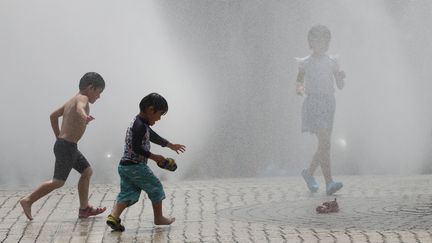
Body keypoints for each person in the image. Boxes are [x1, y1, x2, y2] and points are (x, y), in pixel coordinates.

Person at [20, 72, 107, 220]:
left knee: (87, 171)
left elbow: (53, 116)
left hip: (67, 145)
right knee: (58, 181)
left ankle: (84, 209)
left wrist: (58, 136)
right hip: (66, 146)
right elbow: (80, 108)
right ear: (91, 88)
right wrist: (84, 116)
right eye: (99, 92)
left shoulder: (71, 100)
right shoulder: (82, 98)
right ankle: (28, 200)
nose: (99, 97)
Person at [106, 93, 186, 232]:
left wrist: (170, 145)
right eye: (160, 114)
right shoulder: (140, 126)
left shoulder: (140, 123)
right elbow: (136, 147)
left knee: (128, 193)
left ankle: (113, 217)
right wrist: (154, 157)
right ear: (150, 110)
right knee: (155, 187)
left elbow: (153, 137)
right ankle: (159, 218)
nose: (160, 118)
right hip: (136, 166)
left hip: (124, 166)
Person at [295, 25, 345, 195]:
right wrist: (300, 89)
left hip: (329, 104)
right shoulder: (305, 63)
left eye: (325, 39)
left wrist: (340, 77)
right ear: (310, 41)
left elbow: (340, 86)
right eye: (317, 39)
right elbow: (299, 84)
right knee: (325, 143)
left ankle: (309, 174)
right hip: (314, 104)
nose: (321, 42)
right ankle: (329, 181)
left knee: (325, 144)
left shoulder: (332, 62)